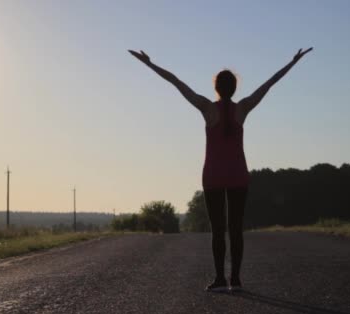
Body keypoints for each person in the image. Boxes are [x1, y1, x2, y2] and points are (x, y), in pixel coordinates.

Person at [128, 47, 313, 292]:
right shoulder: (243, 108)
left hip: (213, 176)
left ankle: (219, 279)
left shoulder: (207, 108)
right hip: (238, 174)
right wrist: (293, 62)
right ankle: (235, 279)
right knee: (236, 229)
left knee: (218, 230)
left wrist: (149, 64)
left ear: (216, 87)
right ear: (235, 88)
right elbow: (269, 84)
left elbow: (176, 82)